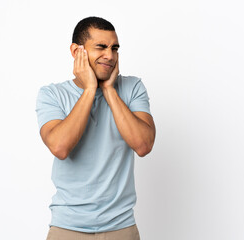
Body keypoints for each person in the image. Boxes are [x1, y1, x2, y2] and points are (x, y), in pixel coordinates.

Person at [36, 16, 156, 240]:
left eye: (114, 48)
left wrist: (109, 90)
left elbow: (143, 145)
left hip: (122, 227)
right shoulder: (51, 94)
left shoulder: (132, 87)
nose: (109, 56)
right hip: (68, 228)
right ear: (76, 51)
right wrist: (90, 89)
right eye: (100, 47)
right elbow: (60, 147)